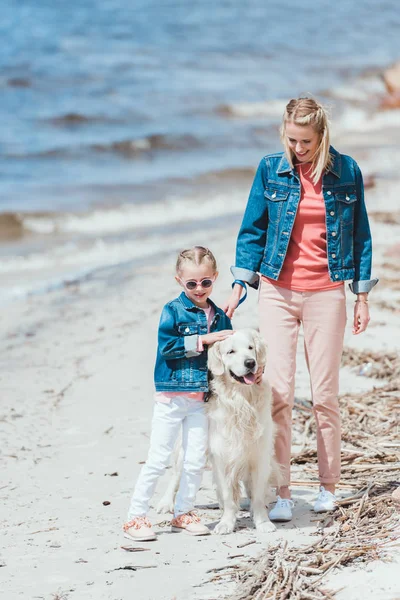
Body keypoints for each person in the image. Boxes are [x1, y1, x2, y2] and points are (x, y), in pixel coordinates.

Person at [224, 97, 378, 522]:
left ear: (321, 134)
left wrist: (361, 295)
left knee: (325, 396)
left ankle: (329, 486)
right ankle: (283, 491)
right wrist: (241, 283)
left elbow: (361, 234)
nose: (298, 148)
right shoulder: (270, 168)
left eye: (306, 141)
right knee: (278, 395)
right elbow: (253, 229)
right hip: (276, 291)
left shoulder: (346, 171)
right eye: (292, 139)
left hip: (328, 293)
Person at [124, 246, 233, 541]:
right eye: (192, 284)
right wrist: (204, 339)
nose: (199, 289)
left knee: (196, 459)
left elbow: (228, 355)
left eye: (206, 282)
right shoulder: (173, 311)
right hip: (172, 396)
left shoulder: (220, 316)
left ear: (214, 278)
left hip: (201, 400)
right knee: (159, 458)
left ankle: (183, 512)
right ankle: (136, 517)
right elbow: (168, 348)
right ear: (179, 282)